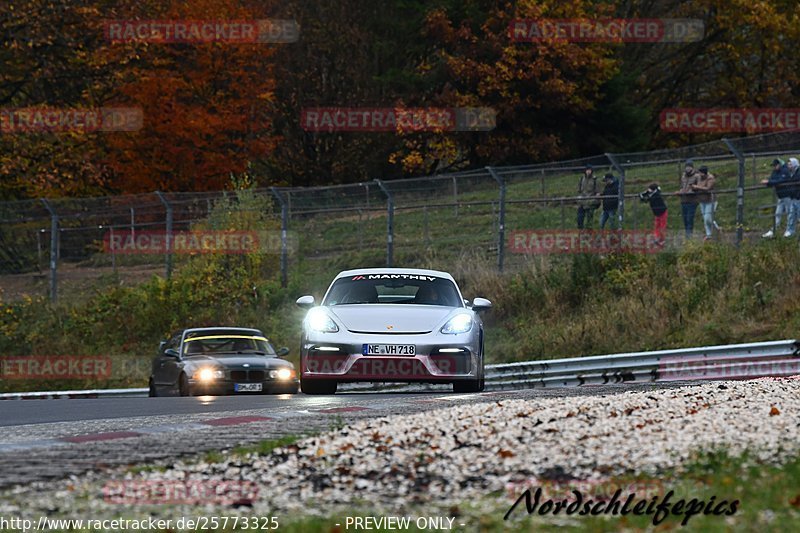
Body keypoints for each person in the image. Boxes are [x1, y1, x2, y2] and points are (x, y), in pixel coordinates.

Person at [760, 158, 792, 238]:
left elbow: (781, 180)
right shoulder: (775, 171)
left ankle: (789, 231)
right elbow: (772, 179)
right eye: (773, 166)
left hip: (787, 195)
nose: (774, 167)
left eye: (775, 165)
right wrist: (768, 182)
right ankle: (773, 231)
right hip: (780, 196)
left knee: (789, 213)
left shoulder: (785, 171)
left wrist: (769, 182)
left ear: (779, 165)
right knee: (777, 213)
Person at [691, 165, 716, 241]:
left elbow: (708, 188)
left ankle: (716, 228)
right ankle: (709, 234)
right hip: (702, 200)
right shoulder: (698, 177)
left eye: (701, 173)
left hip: (710, 200)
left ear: (704, 173)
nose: (699, 174)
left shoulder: (710, 178)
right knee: (705, 218)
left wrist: (697, 187)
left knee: (707, 218)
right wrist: (693, 188)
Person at [677, 159, 699, 238]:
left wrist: (690, 191)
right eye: (686, 167)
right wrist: (680, 192)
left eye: (689, 167)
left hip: (692, 201)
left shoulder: (697, 176)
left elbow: (698, 188)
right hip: (683, 200)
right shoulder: (683, 176)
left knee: (690, 219)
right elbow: (682, 187)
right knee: (685, 219)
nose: (688, 168)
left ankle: (689, 236)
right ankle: (687, 235)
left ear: (692, 167)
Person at [577, 164, 600, 229]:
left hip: (590, 202)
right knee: (579, 219)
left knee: (589, 220)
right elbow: (579, 190)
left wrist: (597, 196)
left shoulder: (595, 179)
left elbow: (598, 192)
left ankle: (589, 233)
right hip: (582, 202)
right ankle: (581, 232)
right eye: (587, 170)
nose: (588, 171)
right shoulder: (581, 179)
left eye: (590, 170)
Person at [785, 158, 800, 237]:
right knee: (791, 215)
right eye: (788, 164)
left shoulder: (798, 172)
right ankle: (790, 231)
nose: (788, 166)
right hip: (793, 197)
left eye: (790, 164)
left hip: (798, 197)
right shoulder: (791, 173)